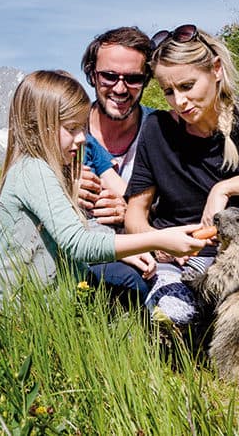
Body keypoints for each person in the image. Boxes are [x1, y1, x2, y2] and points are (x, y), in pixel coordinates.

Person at [0, 70, 207, 307]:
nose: (83, 137)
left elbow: (78, 228)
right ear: (39, 126)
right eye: (72, 128)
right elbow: (78, 243)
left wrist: (124, 249)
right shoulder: (34, 171)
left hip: (40, 305)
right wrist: (158, 239)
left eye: (82, 127)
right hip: (8, 310)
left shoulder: (53, 168)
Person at [125, 24, 239, 326]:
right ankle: (221, 318)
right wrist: (161, 241)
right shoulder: (156, 129)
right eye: (168, 91)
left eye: (187, 86)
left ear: (215, 69)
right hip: (183, 260)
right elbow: (134, 215)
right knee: (175, 315)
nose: (179, 101)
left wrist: (223, 188)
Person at [78, 26, 156, 303]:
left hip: (146, 254)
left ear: (147, 79)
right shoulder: (67, 132)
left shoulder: (162, 131)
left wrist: (136, 210)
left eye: (134, 79)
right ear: (91, 74)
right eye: (109, 76)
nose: (120, 88)